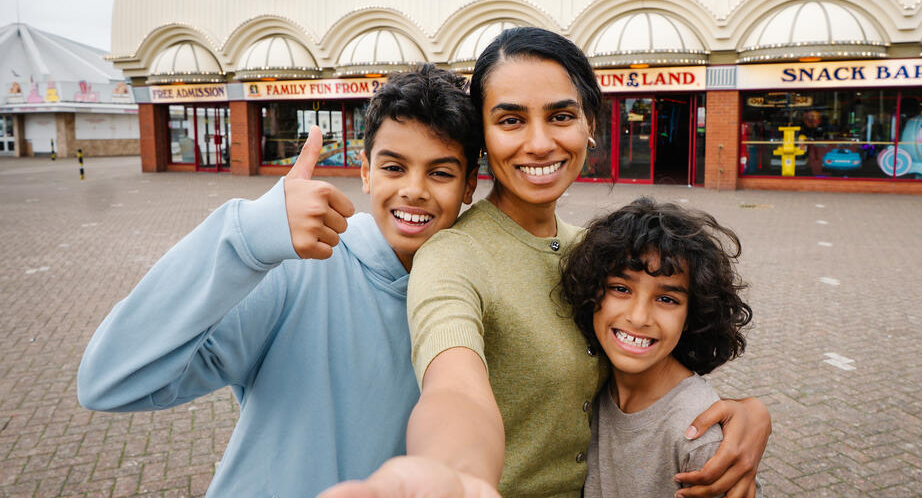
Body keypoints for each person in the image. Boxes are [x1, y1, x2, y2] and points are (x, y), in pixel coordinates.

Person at [322, 27, 771, 498]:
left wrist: (739, 411)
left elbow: (652, 359)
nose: (538, 143)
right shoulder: (452, 256)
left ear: (589, 124)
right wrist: (456, 474)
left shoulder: (595, 251)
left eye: (560, 115)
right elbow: (453, 384)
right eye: (511, 120)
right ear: (484, 140)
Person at [77, 65, 483, 498]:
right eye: (394, 167)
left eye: (440, 172)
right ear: (365, 171)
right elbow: (108, 381)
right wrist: (248, 237)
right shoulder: (297, 270)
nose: (414, 190)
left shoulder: (472, 295)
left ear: (469, 185)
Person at [560, 197, 755, 498]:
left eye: (667, 299)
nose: (638, 317)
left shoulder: (699, 439)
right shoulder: (591, 382)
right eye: (621, 289)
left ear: (692, 315)